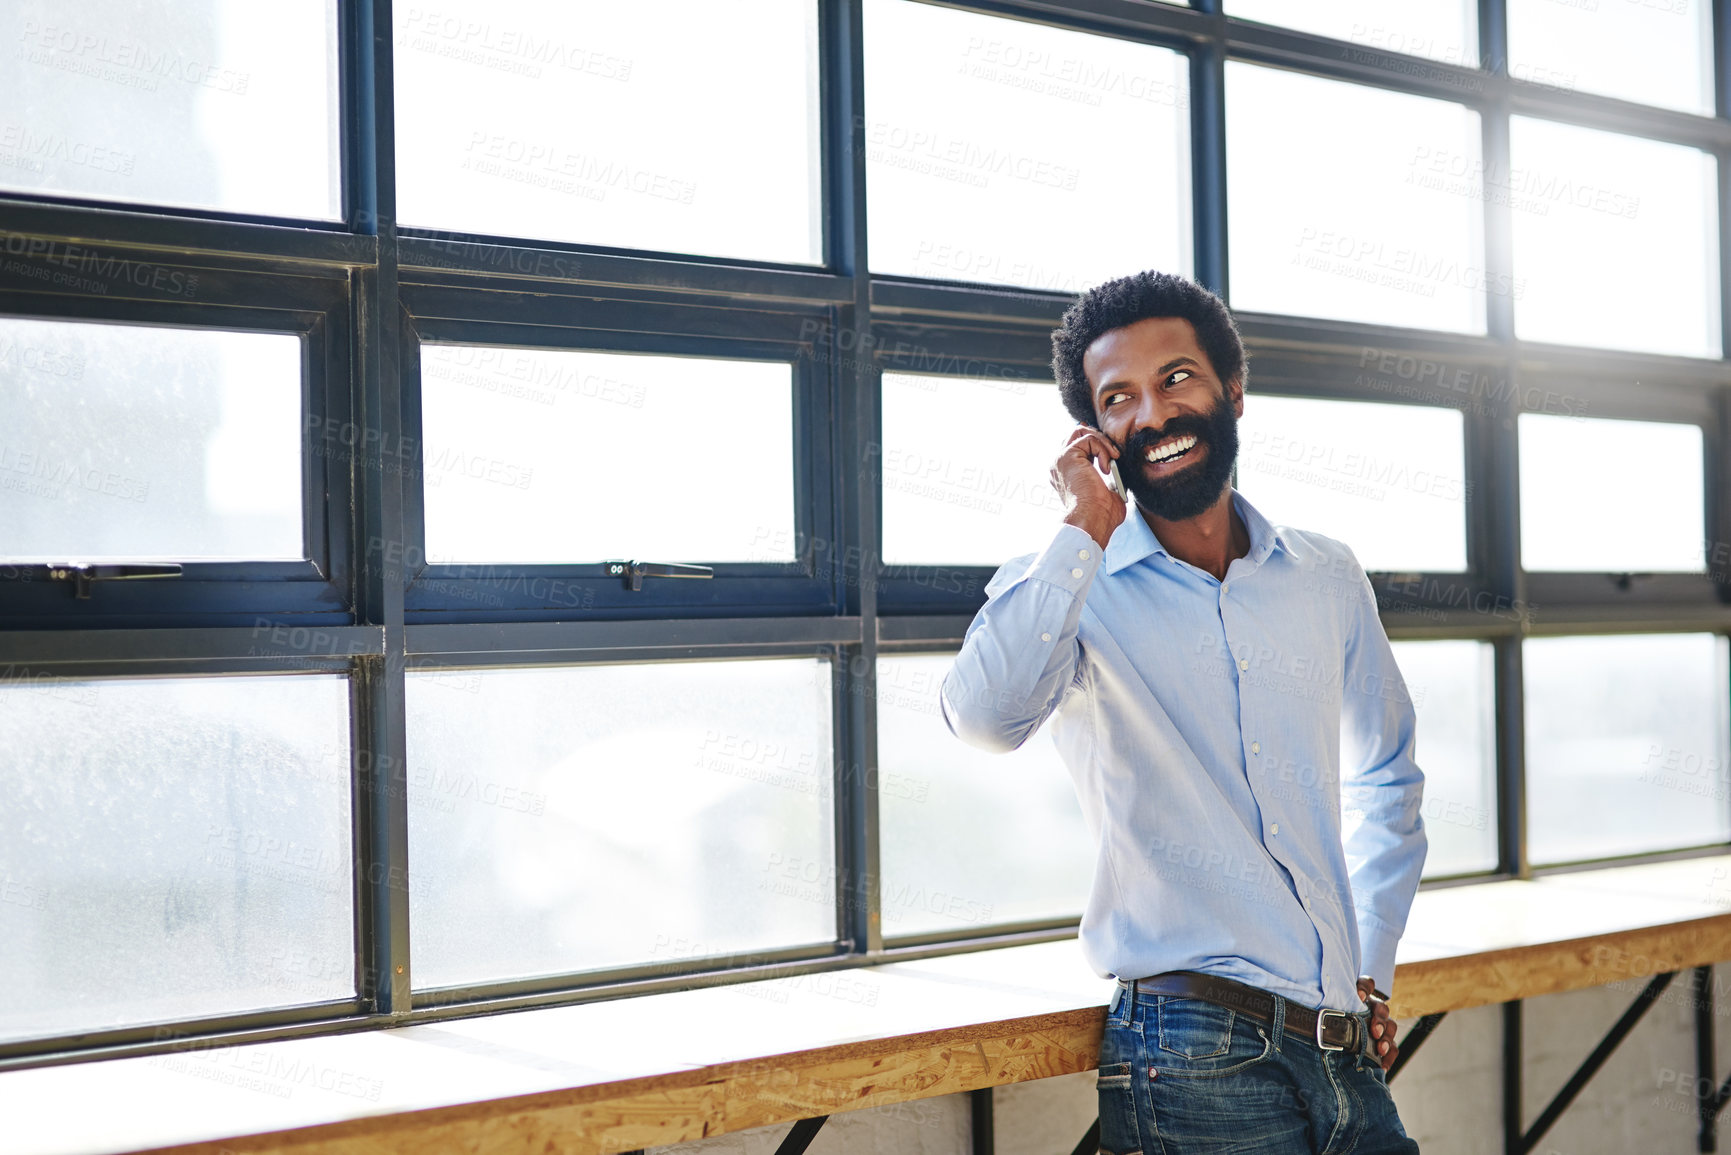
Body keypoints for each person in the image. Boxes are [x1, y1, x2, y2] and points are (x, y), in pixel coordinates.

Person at [940, 270, 1427, 1153]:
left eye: (1175, 379)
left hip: (1343, 1041)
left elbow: (1387, 775)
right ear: (1096, 435)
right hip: (1192, 1047)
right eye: (1118, 398)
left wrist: (1368, 967)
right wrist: (1082, 526)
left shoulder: (1324, 574)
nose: (1153, 413)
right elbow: (981, 717)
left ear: (1232, 390)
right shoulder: (1070, 581)